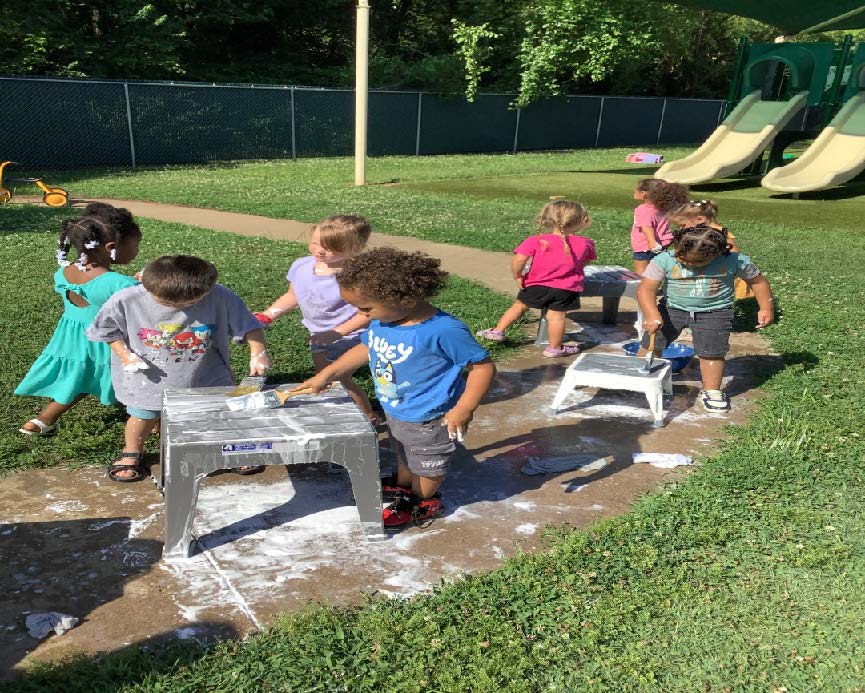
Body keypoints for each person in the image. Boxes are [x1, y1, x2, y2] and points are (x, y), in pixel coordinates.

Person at [293, 248, 496, 527]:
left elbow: (482, 367)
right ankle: (404, 485)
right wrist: (328, 373)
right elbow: (367, 347)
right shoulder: (385, 321)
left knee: (429, 464)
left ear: (406, 299)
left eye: (366, 309)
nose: (360, 314)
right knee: (403, 449)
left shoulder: (443, 330)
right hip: (397, 407)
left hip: (432, 415)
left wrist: (464, 408)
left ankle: (422, 501)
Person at [86, 255, 270, 482]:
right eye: (169, 304)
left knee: (216, 414)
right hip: (149, 377)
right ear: (148, 286)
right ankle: (132, 450)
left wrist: (258, 352)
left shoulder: (219, 295)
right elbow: (106, 331)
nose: (180, 308)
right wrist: (125, 355)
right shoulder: (127, 299)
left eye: (190, 303)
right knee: (143, 415)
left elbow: (250, 325)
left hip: (206, 373)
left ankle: (226, 447)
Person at [15, 207, 142, 436]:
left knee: (80, 378)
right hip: (109, 344)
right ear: (110, 247)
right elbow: (139, 306)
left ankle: (42, 420)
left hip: (74, 338)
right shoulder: (119, 284)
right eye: (135, 245)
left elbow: (97, 292)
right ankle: (154, 423)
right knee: (141, 383)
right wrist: (138, 286)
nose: (137, 251)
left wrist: (129, 284)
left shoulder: (65, 272)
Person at [636, 225, 774, 413]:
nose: (686, 263)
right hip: (671, 309)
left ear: (716, 254)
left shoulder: (735, 261)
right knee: (652, 343)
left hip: (714, 312)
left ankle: (712, 391)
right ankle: (641, 377)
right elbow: (646, 288)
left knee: (712, 352)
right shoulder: (665, 259)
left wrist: (766, 307)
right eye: (681, 257)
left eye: (695, 262)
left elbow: (758, 282)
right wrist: (652, 314)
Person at [254, 215, 377, 423]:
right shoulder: (301, 266)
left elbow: (367, 313)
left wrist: (337, 333)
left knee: (339, 378)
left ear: (355, 249)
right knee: (324, 376)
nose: (320, 251)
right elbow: (293, 295)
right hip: (319, 335)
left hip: (352, 336)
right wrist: (269, 314)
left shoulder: (356, 277)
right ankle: (335, 411)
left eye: (331, 248)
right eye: (315, 243)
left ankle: (368, 417)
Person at [475, 199, 596, 357]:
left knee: (519, 306)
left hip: (536, 284)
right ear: (580, 221)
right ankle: (554, 348)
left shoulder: (537, 240)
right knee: (556, 317)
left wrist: (517, 275)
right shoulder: (586, 243)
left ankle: (497, 331)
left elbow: (519, 259)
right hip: (565, 289)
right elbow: (585, 261)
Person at [668, 199, 754, 300]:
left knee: (729, 302)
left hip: (728, 277)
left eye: (682, 225)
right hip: (717, 274)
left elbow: (735, 255)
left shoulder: (718, 234)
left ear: (700, 219)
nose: (681, 229)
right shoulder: (705, 233)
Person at [630, 178, 689, 274]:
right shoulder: (663, 208)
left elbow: (646, 227)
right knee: (657, 269)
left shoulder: (643, 209)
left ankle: (644, 283)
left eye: (635, 191)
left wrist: (652, 242)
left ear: (644, 193)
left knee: (641, 273)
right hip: (664, 243)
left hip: (646, 246)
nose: (634, 193)